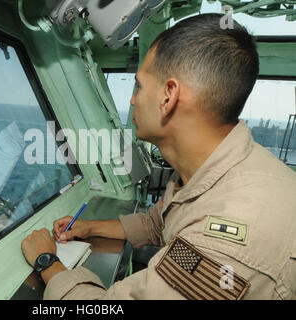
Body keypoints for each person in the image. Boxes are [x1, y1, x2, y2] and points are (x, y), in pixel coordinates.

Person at [21, 13, 296, 300]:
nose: (132, 99)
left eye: (139, 85)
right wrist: (90, 226)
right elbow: (159, 223)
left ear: (168, 96)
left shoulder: (226, 238)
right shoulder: (213, 169)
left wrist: (46, 261)